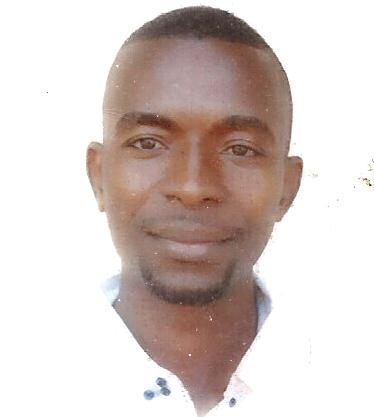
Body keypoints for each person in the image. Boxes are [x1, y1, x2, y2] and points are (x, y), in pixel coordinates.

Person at [86, 6, 305, 417]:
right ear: (98, 177)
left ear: (286, 189)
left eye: (240, 149)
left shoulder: (369, 386)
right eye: (148, 143)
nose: (193, 187)